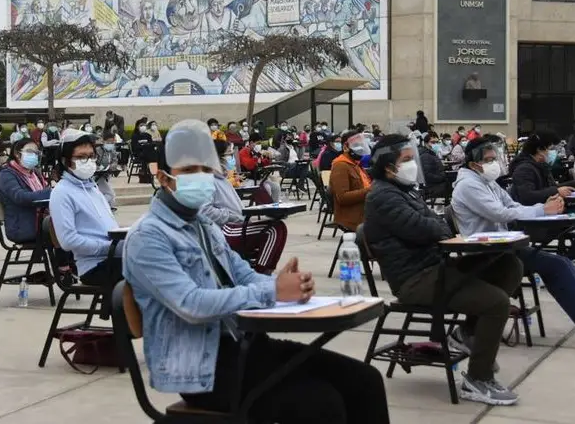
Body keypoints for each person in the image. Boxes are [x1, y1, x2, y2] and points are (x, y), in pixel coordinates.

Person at [122, 120, 390, 424]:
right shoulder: (148, 237)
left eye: (207, 171)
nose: (201, 179)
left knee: (364, 380)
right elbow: (191, 304)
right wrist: (272, 291)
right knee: (321, 404)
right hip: (201, 367)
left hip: (245, 347)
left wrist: (282, 284)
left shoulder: (205, 226)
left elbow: (242, 273)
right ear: (164, 178)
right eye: (189, 171)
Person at [364, 135, 522, 405]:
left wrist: (435, 225)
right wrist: (435, 225)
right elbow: (427, 228)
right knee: (496, 303)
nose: (412, 164)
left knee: (508, 265)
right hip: (415, 280)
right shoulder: (382, 196)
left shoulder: (404, 191)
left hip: (435, 266)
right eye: (406, 160)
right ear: (388, 167)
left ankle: (467, 334)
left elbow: (442, 226)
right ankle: (478, 379)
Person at [451, 137, 575, 349]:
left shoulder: (487, 182)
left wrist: (543, 206)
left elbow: (513, 204)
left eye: (494, 158)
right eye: (489, 160)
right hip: (488, 253)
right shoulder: (468, 186)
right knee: (558, 265)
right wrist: (542, 210)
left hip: (506, 245)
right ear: (474, 164)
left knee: (562, 263)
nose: (494, 164)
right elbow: (501, 213)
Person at [508, 130, 575, 274]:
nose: (552, 152)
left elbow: (552, 187)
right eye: (550, 149)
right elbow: (527, 197)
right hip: (534, 219)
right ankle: (574, 256)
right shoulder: (524, 169)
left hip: (549, 210)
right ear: (539, 150)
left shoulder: (540, 166)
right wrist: (557, 192)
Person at [49, 129, 122, 286]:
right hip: (94, 267)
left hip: (114, 256)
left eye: (91, 156)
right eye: (81, 157)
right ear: (66, 161)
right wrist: (109, 248)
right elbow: (68, 241)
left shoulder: (92, 187)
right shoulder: (62, 192)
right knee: (150, 272)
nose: (88, 161)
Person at [204, 140, 288, 274]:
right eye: (228, 154)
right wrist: (235, 216)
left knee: (278, 225)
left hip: (236, 222)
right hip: (224, 229)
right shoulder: (207, 179)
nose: (231, 158)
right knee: (274, 230)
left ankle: (262, 270)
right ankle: (261, 273)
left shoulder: (221, 178)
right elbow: (205, 212)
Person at [0, 139, 52, 244]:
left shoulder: (35, 173)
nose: (34, 155)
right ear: (17, 154)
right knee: (64, 236)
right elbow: (21, 197)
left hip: (42, 221)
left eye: (36, 153)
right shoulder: (7, 174)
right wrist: (52, 193)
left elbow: (45, 191)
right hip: (23, 227)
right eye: (30, 152)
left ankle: (65, 260)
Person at [328, 131, 371, 232]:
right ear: (346, 147)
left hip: (365, 212)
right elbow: (342, 197)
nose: (360, 148)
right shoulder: (341, 165)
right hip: (353, 218)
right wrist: (370, 190)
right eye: (356, 145)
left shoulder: (356, 165)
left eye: (361, 144)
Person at [418, 132, 449, 198]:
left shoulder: (431, 153)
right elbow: (427, 175)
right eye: (433, 142)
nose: (436, 145)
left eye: (437, 142)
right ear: (426, 143)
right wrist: (442, 177)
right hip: (432, 186)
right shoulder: (425, 156)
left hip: (437, 183)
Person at [95, 129, 120, 209]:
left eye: (112, 142)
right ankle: (100, 206)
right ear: (103, 141)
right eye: (108, 142)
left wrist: (112, 166)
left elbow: (115, 161)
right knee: (110, 194)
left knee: (106, 193)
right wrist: (98, 167)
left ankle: (109, 206)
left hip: (107, 175)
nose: (110, 144)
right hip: (97, 176)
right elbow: (93, 162)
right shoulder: (98, 151)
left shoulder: (112, 150)